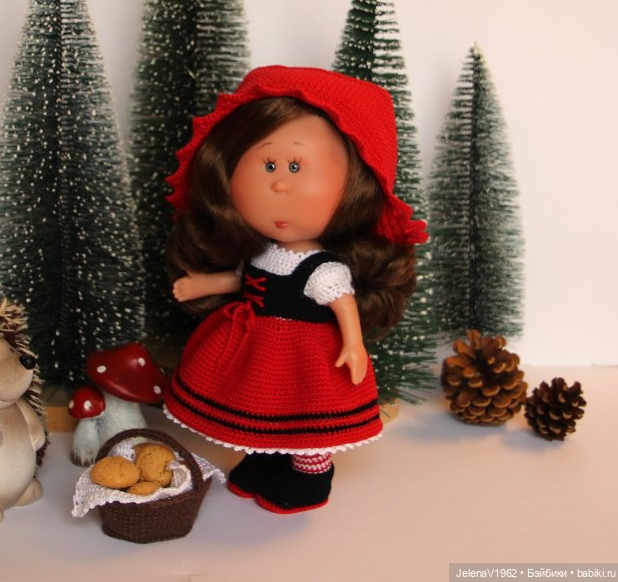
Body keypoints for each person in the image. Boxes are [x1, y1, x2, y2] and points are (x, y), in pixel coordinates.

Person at [162, 65, 427, 514]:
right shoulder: (263, 251)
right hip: (256, 346)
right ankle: (266, 459)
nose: (280, 183)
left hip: (307, 355)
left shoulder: (324, 269)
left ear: (354, 187)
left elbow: (343, 304)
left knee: (305, 418)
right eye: (268, 165)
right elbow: (245, 280)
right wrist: (202, 283)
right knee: (261, 409)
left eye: (296, 166)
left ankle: (310, 475)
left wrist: (354, 344)